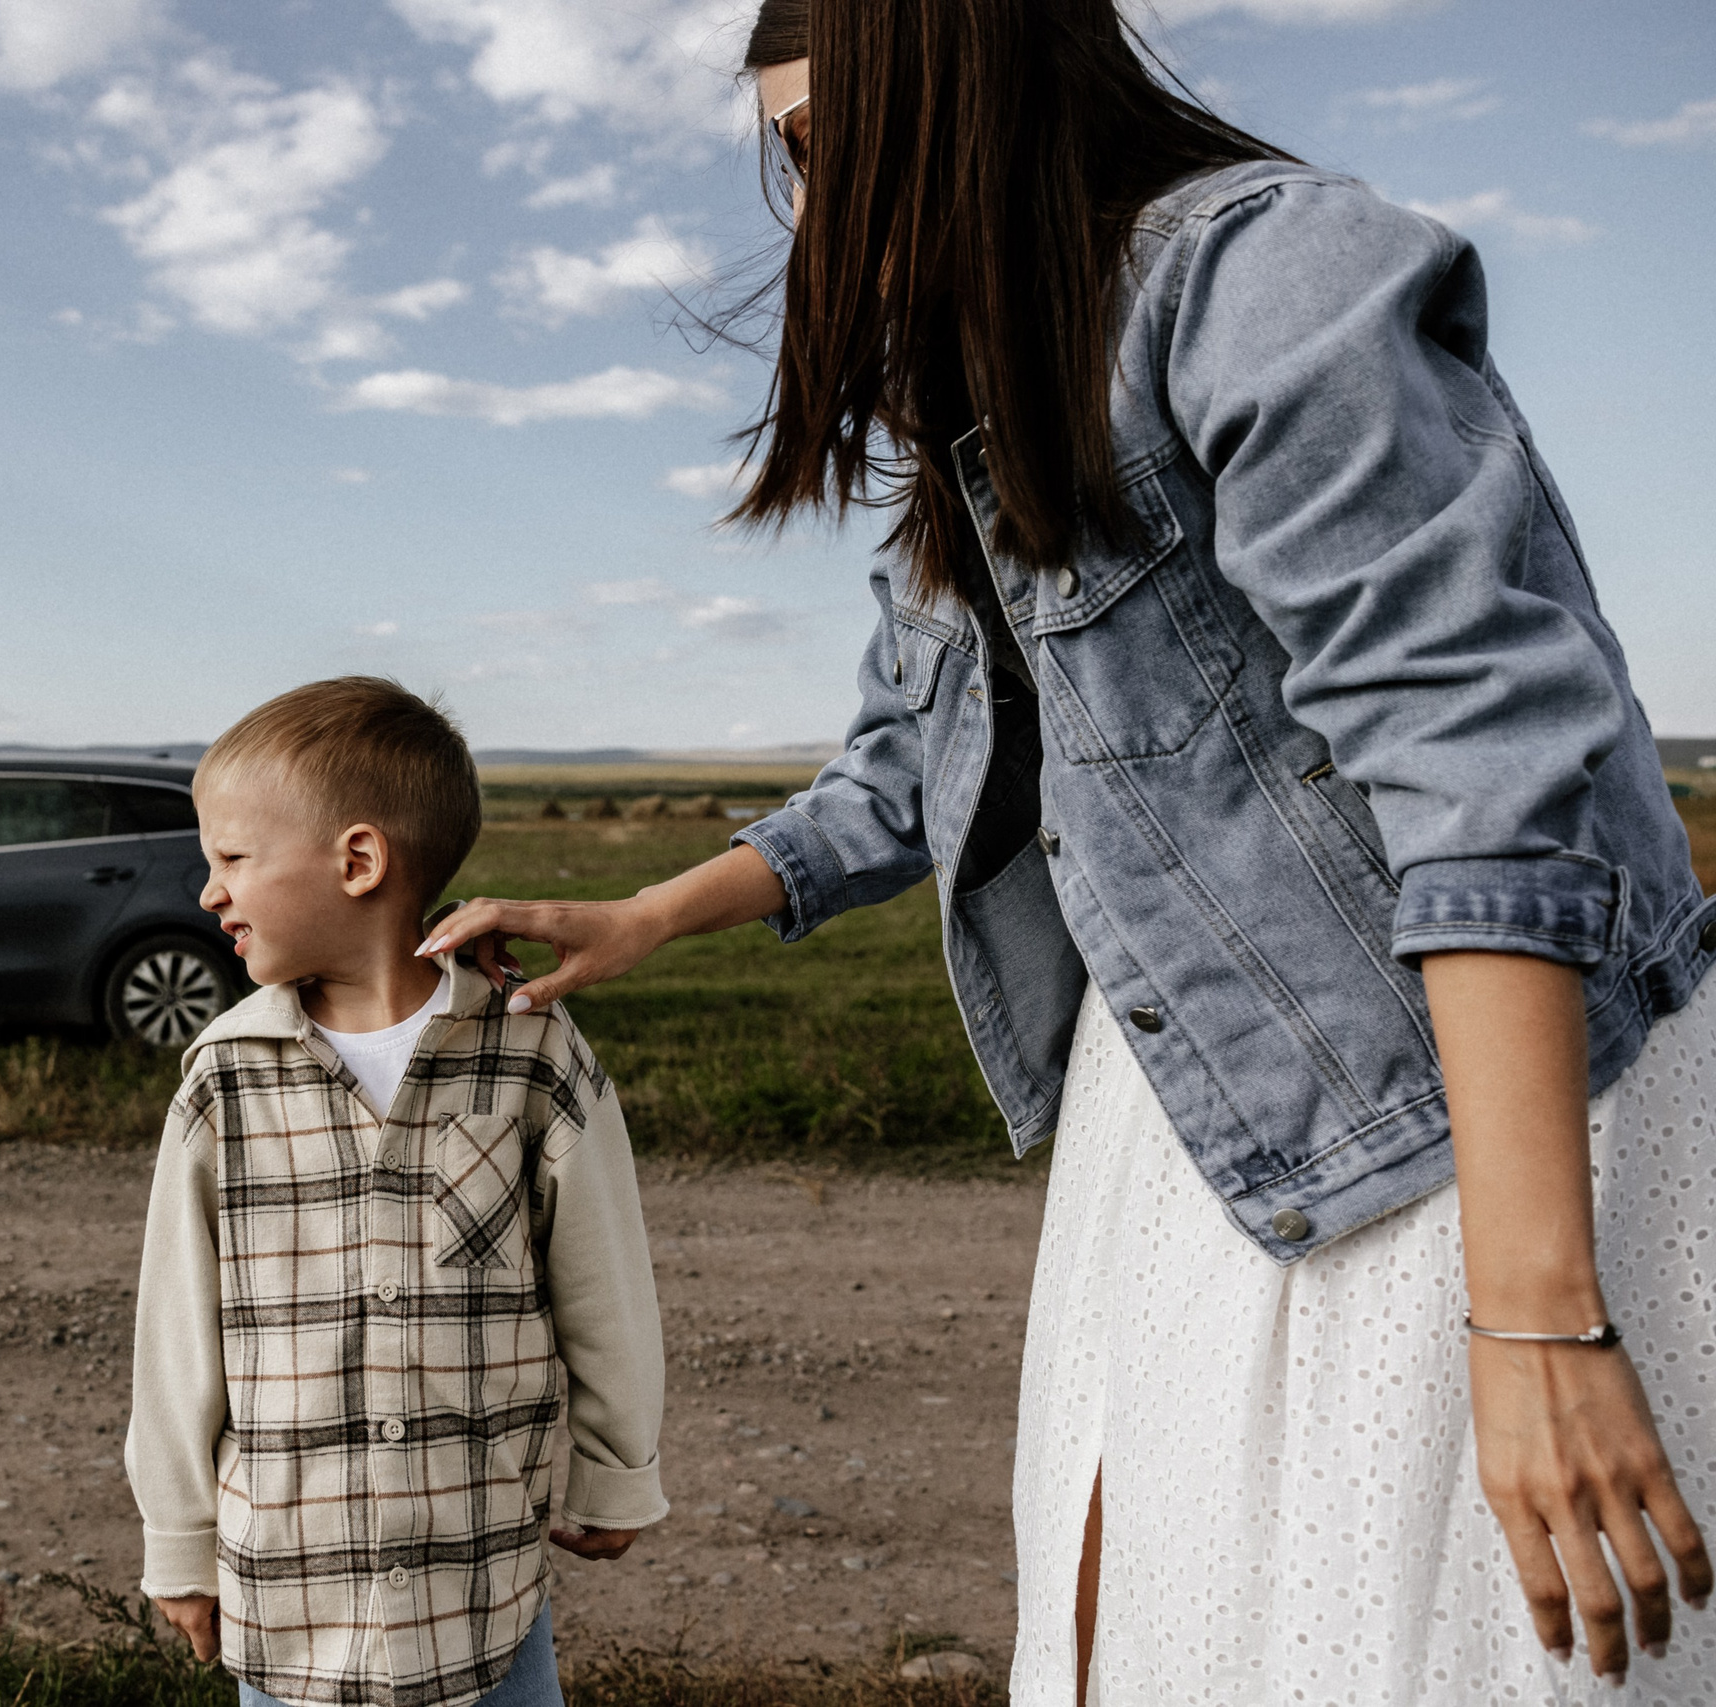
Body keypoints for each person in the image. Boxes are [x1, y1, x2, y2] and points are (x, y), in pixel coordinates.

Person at [422, 2, 1716, 1702]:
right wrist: (653, 910)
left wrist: (1542, 1308)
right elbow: (913, 765)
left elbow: (1483, 771)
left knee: (1432, 1647)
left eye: (821, 147)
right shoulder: (982, 397)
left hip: (1466, 1094)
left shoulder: (1268, 272)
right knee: (1156, 1632)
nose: (809, 211)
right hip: (1180, 1105)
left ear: (961, 84)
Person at [125, 676, 667, 1707]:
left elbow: (605, 1279)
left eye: (232, 860)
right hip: (289, 1599)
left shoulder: (529, 1050)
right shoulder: (225, 1078)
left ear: (359, 861)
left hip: (483, 1588)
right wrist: (181, 1540)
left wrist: (616, 1466)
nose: (210, 893)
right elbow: (176, 1333)